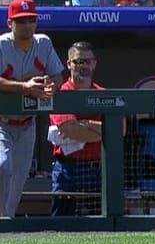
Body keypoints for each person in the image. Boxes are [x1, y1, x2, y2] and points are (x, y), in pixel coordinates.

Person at [0, 0, 64, 218]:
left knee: (16, 188)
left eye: (30, 20)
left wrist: (52, 86)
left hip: (26, 123)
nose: (27, 25)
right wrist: (24, 87)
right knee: (1, 167)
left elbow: (57, 75)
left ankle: (6, 226)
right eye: (21, 20)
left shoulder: (43, 43)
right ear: (10, 23)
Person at [47, 41, 118, 216]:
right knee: (62, 226)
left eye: (88, 61)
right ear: (69, 64)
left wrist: (86, 124)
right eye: (78, 61)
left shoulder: (103, 93)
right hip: (68, 169)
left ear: (94, 64)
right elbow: (71, 130)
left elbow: (118, 131)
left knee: (101, 227)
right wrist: (102, 131)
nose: (83, 66)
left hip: (99, 170)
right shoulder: (60, 93)